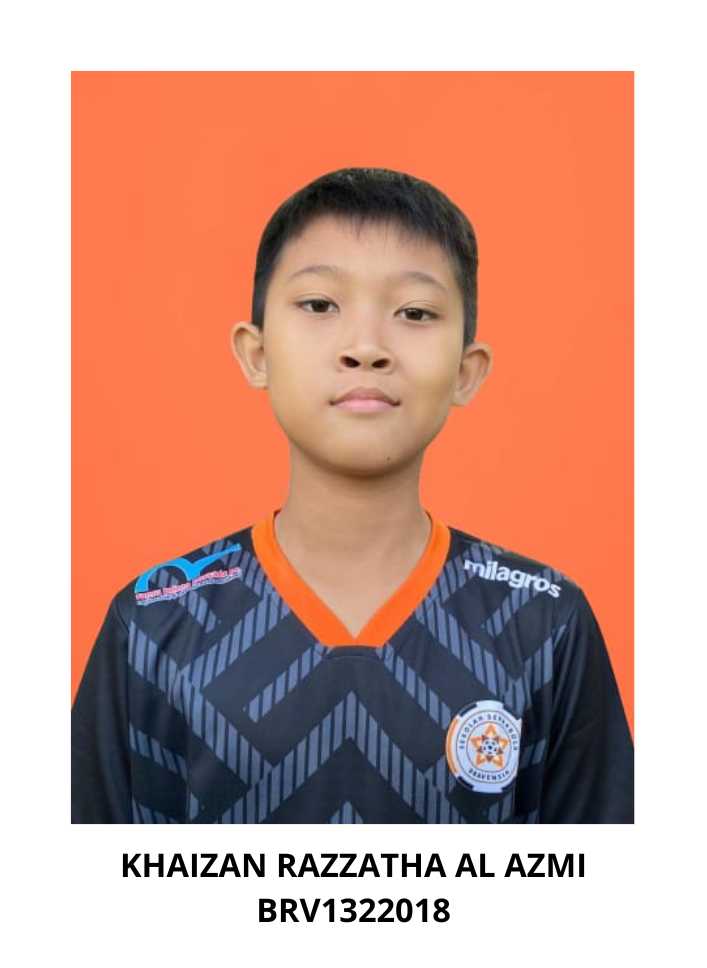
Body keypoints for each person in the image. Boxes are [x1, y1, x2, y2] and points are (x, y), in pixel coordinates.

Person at [72, 166, 634, 824]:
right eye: (319, 305)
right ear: (256, 353)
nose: (365, 348)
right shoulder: (154, 624)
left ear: (466, 370)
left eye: (414, 313)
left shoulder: (542, 623)